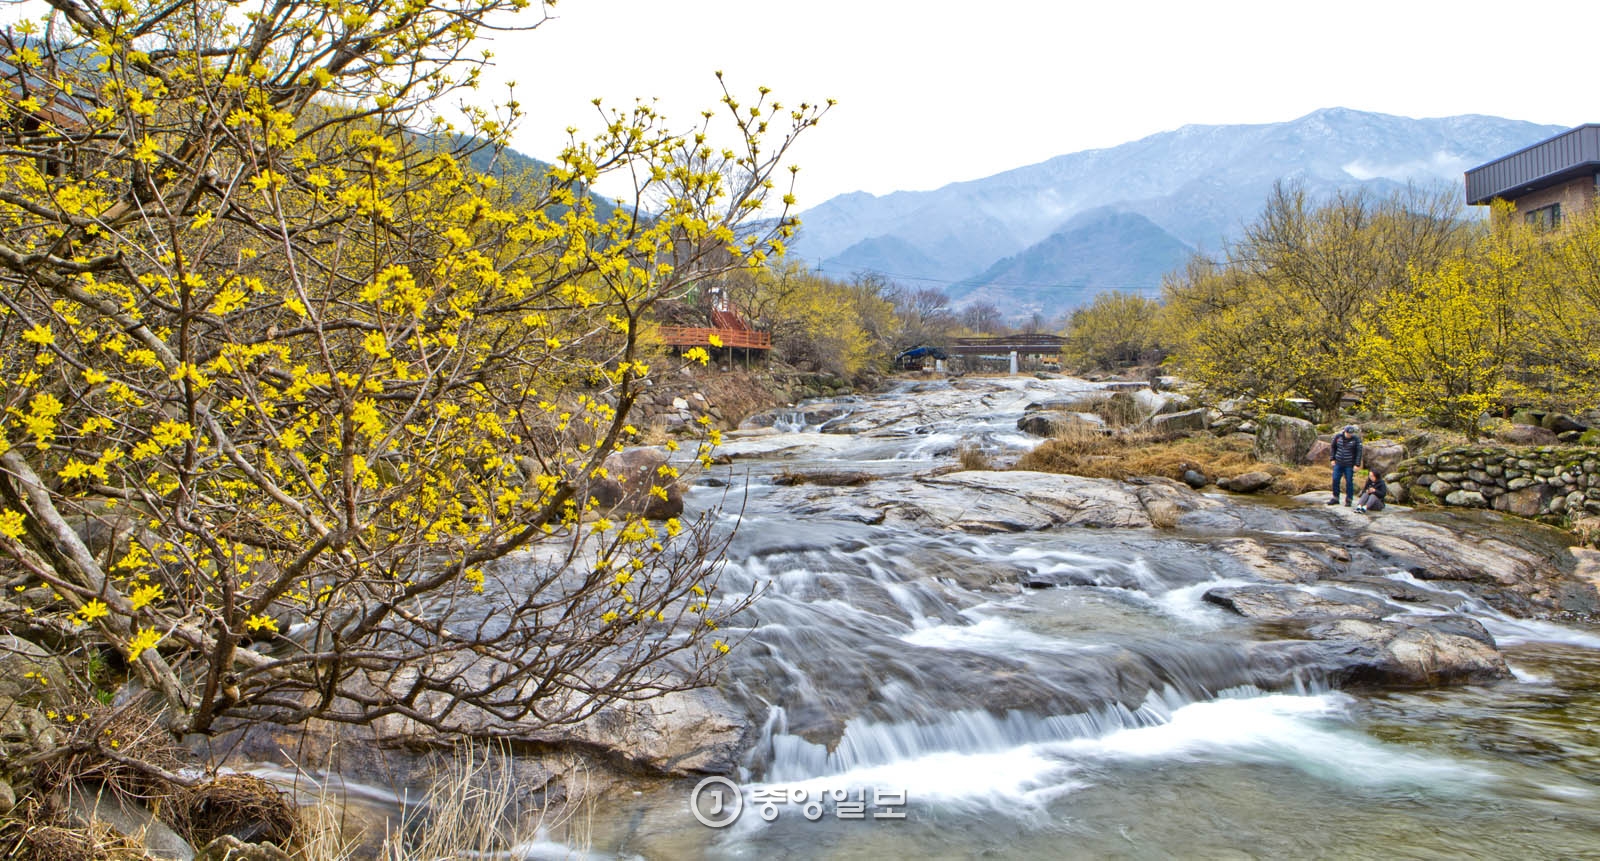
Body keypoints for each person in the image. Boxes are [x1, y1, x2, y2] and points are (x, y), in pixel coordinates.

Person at [1327, 424, 1363, 506]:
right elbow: (1333, 447)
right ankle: (1335, 497)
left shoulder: (1356, 439)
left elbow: (1359, 452)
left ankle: (1349, 499)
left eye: (1351, 433)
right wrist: (1332, 459)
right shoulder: (1338, 437)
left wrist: (1357, 464)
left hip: (1349, 464)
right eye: (1348, 433)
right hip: (1338, 463)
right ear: (1344, 431)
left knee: (1349, 482)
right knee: (1335, 479)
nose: (1349, 435)